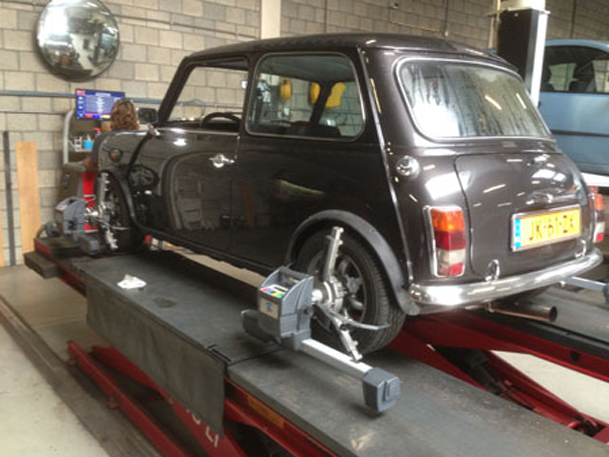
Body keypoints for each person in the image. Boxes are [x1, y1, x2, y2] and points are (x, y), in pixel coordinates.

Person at [83, 99, 139, 171]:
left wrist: (85, 162)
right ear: (135, 118)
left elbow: (94, 166)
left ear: (113, 117)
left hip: (110, 177)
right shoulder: (141, 138)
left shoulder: (103, 138)